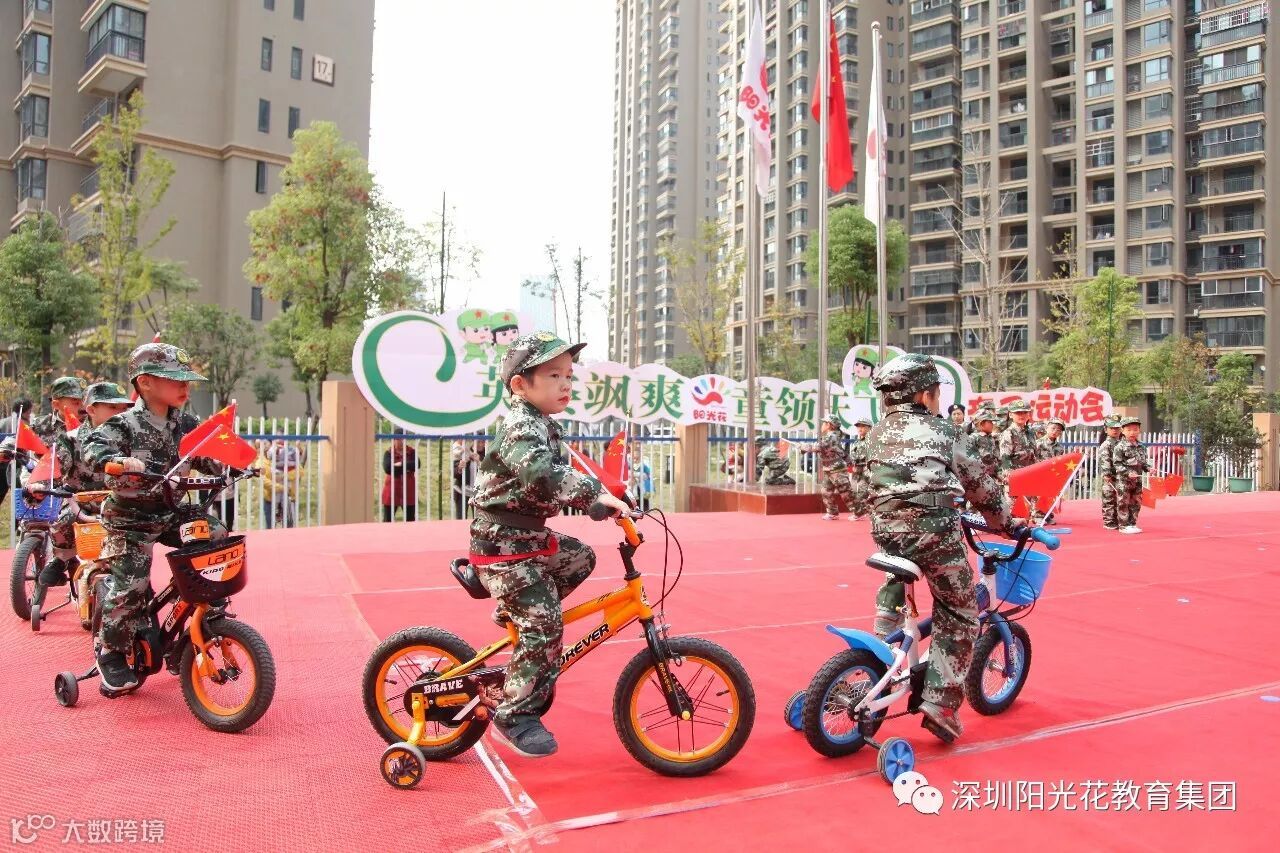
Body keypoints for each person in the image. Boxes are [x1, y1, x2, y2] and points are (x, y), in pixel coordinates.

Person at [468, 332, 630, 757]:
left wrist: (607, 495)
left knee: (579, 558)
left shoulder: (543, 424)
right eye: (554, 375)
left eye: (569, 376)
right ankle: (515, 714)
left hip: (527, 538)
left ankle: (517, 610)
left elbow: (563, 474)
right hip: (502, 545)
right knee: (545, 626)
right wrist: (591, 496)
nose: (565, 384)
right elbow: (542, 475)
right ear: (520, 384)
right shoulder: (520, 426)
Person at [863, 353, 1012, 743]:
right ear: (923, 395)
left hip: (886, 532)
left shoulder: (875, 433)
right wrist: (1006, 523)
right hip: (932, 533)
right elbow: (981, 488)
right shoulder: (944, 431)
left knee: (903, 571)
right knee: (959, 610)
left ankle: (885, 625)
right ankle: (940, 704)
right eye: (936, 393)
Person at [83, 343, 229, 695]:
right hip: (129, 520)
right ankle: (111, 651)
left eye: (186, 379)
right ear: (145, 383)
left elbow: (208, 453)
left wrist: (229, 462)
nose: (185, 386)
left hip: (172, 513)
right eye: (175, 379)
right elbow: (93, 449)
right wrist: (116, 461)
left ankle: (199, 613)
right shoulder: (124, 424)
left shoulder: (187, 424)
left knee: (215, 535)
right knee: (131, 585)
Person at [33, 382, 134, 589]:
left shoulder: (134, 437)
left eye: (123, 408)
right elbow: (56, 466)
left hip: (121, 503)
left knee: (139, 540)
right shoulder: (71, 438)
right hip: (81, 502)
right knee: (62, 521)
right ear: (91, 410)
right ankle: (62, 558)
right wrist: (39, 486)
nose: (120, 413)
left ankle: (139, 586)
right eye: (112, 407)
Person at [810, 414, 856, 520]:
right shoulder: (832, 436)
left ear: (829, 425)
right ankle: (832, 512)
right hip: (829, 468)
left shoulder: (831, 436)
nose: (822, 425)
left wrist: (803, 447)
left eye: (824, 423)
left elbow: (819, 447)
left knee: (846, 492)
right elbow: (840, 451)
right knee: (826, 491)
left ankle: (859, 512)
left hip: (837, 469)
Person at [999, 399, 1039, 519]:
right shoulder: (1008, 433)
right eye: (1018, 413)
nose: (1021, 415)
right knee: (1014, 509)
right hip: (1015, 476)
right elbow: (1005, 458)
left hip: (1029, 475)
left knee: (1027, 508)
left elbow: (1035, 454)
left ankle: (1024, 529)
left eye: (1024, 412)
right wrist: (1010, 478)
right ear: (1011, 414)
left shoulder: (1030, 432)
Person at [1112, 416, 1149, 535]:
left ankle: (1132, 523)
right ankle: (1123, 525)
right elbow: (1117, 464)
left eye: (1135, 429)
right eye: (1129, 430)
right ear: (1122, 431)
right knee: (1123, 502)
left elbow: (1143, 462)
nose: (1132, 432)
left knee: (1136, 502)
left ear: (1139, 430)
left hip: (1137, 480)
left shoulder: (1141, 446)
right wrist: (1128, 473)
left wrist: (1149, 468)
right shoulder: (1120, 446)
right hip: (1124, 480)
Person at [32, 376, 88, 449]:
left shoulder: (95, 425)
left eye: (84, 401)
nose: (83, 407)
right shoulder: (38, 426)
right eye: (76, 402)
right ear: (56, 404)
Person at [0, 398, 35, 509]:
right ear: (25, 411)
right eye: (29, 411)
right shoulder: (24, 425)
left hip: (4, 464)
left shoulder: (2, 422)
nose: (30, 414)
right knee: (19, 500)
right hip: (15, 467)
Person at [263, 438, 305, 528]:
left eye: (266, 444)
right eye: (259, 445)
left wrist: (283, 476)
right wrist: (281, 487)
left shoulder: (288, 459)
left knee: (289, 527)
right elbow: (263, 481)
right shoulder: (262, 462)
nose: (263, 446)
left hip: (290, 498)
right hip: (270, 500)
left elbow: (300, 471)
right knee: (270, 528)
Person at [382, 428, 420, 522]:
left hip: (408, 491)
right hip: (391, 491)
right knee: (388, 521)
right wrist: (407, 468)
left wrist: (401, 464)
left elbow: (417, 464)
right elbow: (388, 468)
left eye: (404, 439)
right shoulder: (388, 453)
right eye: (399, 439)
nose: (402, 442)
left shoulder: (412, 452)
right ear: (394, 440)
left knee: (410, 520)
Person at [1098, 415, 1122, 531]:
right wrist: (1107, 474)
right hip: (1110, 476)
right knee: (1109, 498)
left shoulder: (1121, 443)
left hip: (1120, 475)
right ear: (1106, 429)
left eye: (1117, 428)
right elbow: (1105, 460)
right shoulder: (1106, 444)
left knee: (1119, 498)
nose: (1115, 430)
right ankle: (1109, 521)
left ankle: (1117, 519)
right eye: (1112, 428)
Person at [848, 416, 873, 518]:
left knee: (863, 490)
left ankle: (862, 512)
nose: (860, 428)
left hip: (867, 469)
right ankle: (863, 511)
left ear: (869, 428)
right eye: (858, 426)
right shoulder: (857, 441)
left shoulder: (872, 440)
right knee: (854, 490)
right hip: (857, 469)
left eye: (863, 426)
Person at [452, 439, 484, 519]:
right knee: (461, 519)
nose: (481, 444)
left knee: (479, 519)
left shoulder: (487, 454)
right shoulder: (463, 452)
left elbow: (490, 473)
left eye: (483, 442)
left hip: (479, 493)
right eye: (478, 442)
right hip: (462, 491)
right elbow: (454, 473)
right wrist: (460, 468)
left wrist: (479, 462)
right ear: (473, 441)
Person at [966, 409, 1000, 482]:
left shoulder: (991, 438)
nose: (992, 424)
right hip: (978, 478)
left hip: (992, 477)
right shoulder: (972, 438)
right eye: (990, 422)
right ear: (981, 424)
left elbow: (995, 458)